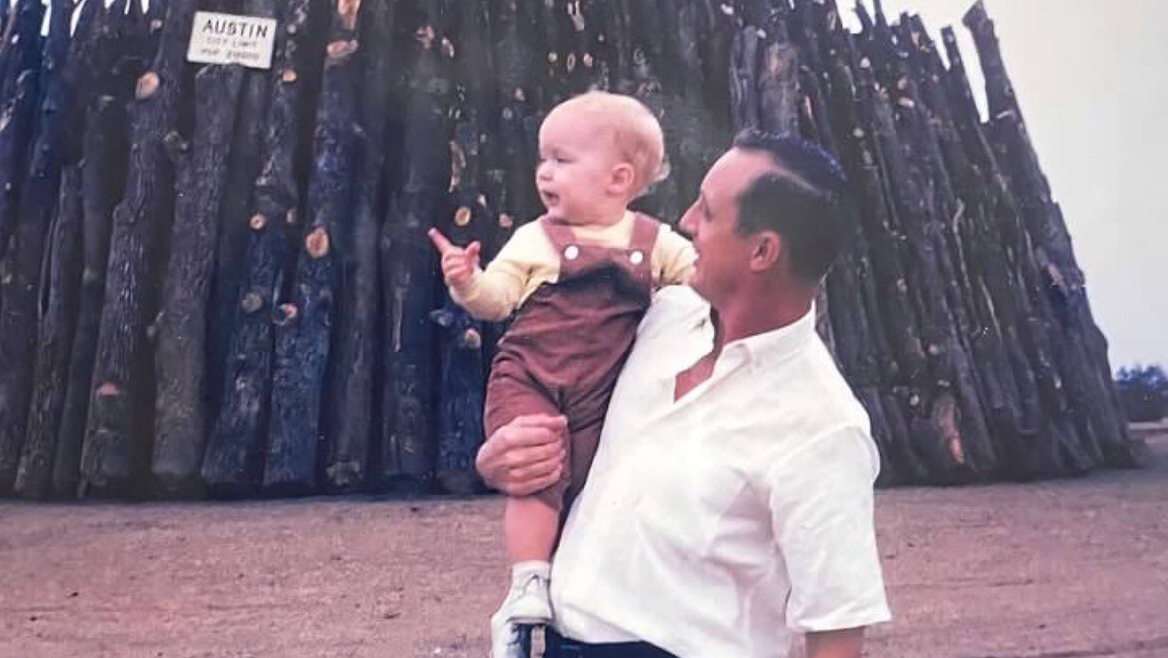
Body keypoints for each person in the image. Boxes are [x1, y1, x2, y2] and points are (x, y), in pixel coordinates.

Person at [476, 130, 892, 658]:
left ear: (762, 251)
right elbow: (553, 400)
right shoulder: (658, 319)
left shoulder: (822, 425)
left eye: (709, 213)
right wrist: (505, 457)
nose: (686, 221)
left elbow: (836, 628)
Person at [427, 91, 696, 658]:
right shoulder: (535, 238)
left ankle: (574, 598)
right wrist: (465, 281)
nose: (545, 173)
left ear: (619, 178)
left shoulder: (656, 242)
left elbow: (699, 285)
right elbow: (497, 301)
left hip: (604, 392)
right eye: (542, 160)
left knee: (594, 488)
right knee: (538, 470)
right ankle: (527, 581)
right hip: (531, 375)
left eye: (562, 160)